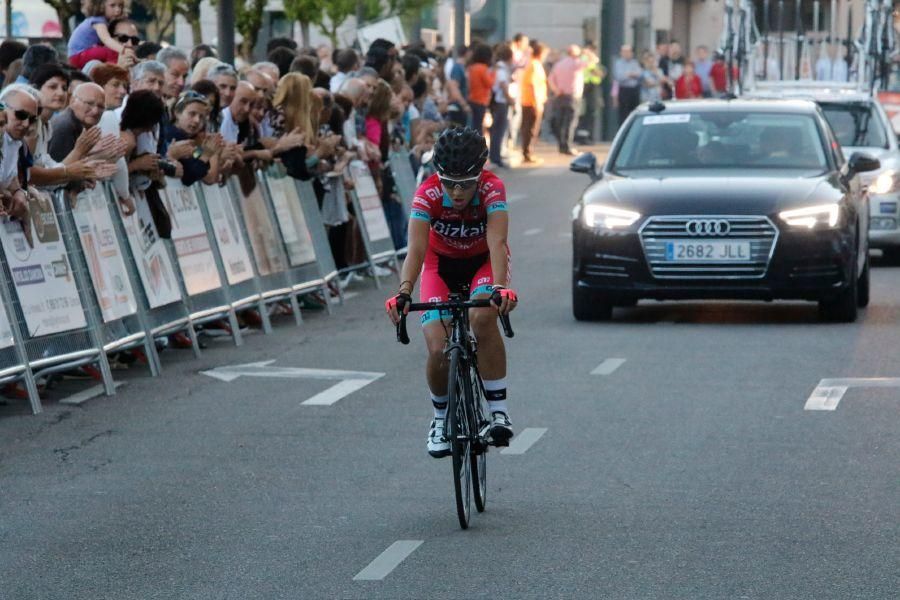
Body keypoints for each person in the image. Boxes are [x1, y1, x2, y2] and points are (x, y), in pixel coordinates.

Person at [385, 127, 518, 457]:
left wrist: (500, 288)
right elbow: (415, 249)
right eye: (449, 183)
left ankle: (498, 412)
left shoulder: (492, 189)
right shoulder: (426, 194)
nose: (457, 192)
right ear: (437, 175)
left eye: (465, 183)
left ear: (480, 174)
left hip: (481, 263)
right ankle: (441, 419)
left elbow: (497, 242)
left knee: (482, 316)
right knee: (437, 345)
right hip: (438, 265)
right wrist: (403, 292)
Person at [548, 44, 597, 155]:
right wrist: (587, 53)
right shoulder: (577, 63)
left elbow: (551, 79)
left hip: (560, 96)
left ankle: (561, 145)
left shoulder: (559, 64)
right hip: (573, 97)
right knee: (570, 122)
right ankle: (567, 145)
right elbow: (594, 61)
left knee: (561, 121)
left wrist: (556, 90)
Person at [67, 0, 128, 69]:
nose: (118, 10)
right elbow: (106, 39)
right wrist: (123, 50)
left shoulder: (98, 20)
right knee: (111, 51)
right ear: (101, 6)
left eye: (120, 6)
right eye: (112, 5)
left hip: (77, 56)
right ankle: (115, 70)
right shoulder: (99, 21)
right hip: (78, 55)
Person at [520, 41, 548, 164]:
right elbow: (532, 84)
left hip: (533, 101)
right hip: (532, 102)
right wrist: (537, 102)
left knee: (531, 128)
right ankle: (527, 152)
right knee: (531, 128)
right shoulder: (534, 65)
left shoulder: (534, 64)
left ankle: (528, 152)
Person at [489, 44, 513, 168]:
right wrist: (510, 99)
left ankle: (494, 155)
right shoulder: (502, 69)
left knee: (496, 130)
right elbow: (503, 85)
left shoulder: (496, 67)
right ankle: (495, 157)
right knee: (499, 131)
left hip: (495, 102)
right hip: (500, 102)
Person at [466, 43, 495, 136]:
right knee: (478, 128)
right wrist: (494, 73)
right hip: (481, 101)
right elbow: (490, 84)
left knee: (473, 125)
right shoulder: (483, 69)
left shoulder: (472, 67)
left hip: (471, 99)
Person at [613, 44, 641, 125]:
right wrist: (631, 75)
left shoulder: (635, 62)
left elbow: (639, 74)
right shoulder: (618, 63)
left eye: (628, 52)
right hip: (624, 90)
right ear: (621, 53)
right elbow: (619, 77)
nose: (626, 54)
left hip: (634, 90)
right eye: (624, 52)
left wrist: (628, 75)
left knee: (634, 112)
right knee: (624, 114)